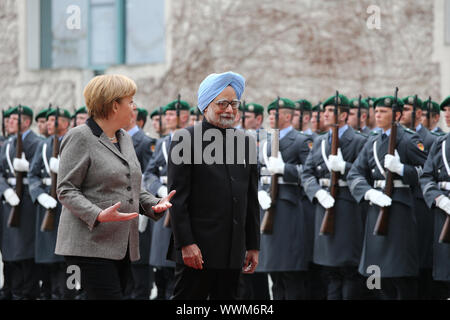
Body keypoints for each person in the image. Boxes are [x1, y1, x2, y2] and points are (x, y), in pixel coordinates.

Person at [54, 74, 175, 300]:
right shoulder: (80, 136)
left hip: (121, 246)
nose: (134, 107)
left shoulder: (123, 138)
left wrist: (153, 204)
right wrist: (98, 214)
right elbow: (66, 189)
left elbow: (131, 186)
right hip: (87, 247)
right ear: (114, 105)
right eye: (130, 101)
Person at [167, 71, 259, 300]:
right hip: (198, 251)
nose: (229, 109)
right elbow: (177, 199)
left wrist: (253, 245)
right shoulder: (185, 139)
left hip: (233, 251)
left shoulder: (246, 142)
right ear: (206, 105)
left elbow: (250, 197)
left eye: (234, 103)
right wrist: (186, 244)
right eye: (222, 103)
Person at [347, 95, 428, 300]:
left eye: (383, 111)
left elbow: (426, 172)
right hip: (376, 207)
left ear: (397, 115)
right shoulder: (373, 141)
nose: (378, 115)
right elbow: (355, 173)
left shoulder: (409, 140)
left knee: (400, 272)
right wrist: (368, 192)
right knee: (377, 273)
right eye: (376, 111)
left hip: (399, 208)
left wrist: (402, 169)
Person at [301, 94, 368, 300]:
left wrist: (345, 168)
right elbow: (307, 173)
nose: (325, 114)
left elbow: (366, 175)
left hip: (347, 208)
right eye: (325, 111)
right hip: (324, 207)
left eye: (331, 111)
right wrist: (317, 193)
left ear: (344, 115)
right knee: (329, 271)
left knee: (348, 269)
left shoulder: (358, 141)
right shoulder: (320, 141)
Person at [257, 97, 313, 300]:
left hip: (288, 209)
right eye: (270, 114)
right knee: (275, 274)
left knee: (290, 272)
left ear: (288, 116)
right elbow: (254, 174)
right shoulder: (264, 143)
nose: (271, 117)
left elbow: (309, 172)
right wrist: (259, 191)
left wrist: (285, 169)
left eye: (276, 114)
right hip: (267, 208)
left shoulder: (301, 141)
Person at [143, 99, 191, 300]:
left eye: (171, 114)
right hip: (165, 206)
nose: (167, 118)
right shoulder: (162, 142)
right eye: (167, 115)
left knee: (181, 270)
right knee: (163, 267)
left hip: (187, 208)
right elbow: (149, 174)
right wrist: (160, 188)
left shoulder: (195, 140)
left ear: (185, 116)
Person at [28, 108, 73, 300]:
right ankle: (53, 293)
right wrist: (39, 195)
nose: (50, 123)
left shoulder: (74, 142)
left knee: (68, 259)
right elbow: (33, 174)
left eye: (55, 119)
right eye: (48, 120)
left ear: (66, 123)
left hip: (69, 205)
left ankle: (69, 293)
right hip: (49, 203)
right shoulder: (44, 145)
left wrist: (63, 168)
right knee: (50, 258)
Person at [0, 105, 43, 299]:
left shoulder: (36, 143)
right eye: (8, 120)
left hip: (27, 202)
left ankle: (27, 291)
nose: (8, 122)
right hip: (10, 200)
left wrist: (28, 167)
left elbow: (42, 171)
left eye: (13, 120)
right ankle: (15, 289)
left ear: (26, 122)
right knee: (11, 252)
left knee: (25, 250)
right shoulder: (9, 143)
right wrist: (6, 190)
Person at [419, 95, 450, 300]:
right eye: (445, 111)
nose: (447, 115)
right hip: (445, 211)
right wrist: (440, 199)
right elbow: (427, 177)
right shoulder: (441, 143)